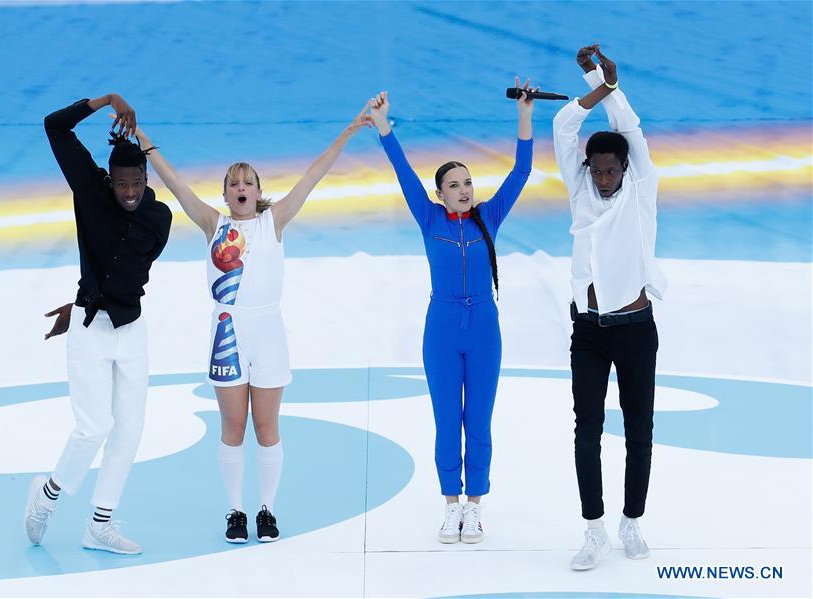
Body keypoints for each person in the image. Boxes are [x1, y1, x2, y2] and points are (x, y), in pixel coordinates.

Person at [133, 104, 371, 543]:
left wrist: (350, 130)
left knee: (266, 428)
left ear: (259, 190)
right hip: (227, 332)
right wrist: (140, 135)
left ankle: (267, 509)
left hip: (268, 333)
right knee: (233, 429)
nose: (241, 187)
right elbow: (174, 181)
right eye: (233, 183)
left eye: (248, 182)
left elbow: (314, 175)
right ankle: (235, 511)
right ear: (225, 195)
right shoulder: (213, 223)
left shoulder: (273, 222)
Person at [368, 83, 534, 544]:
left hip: (484, 327)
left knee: (478, 419)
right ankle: (450, 506)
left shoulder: (489, 217)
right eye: (454, 185)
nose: (464, 190)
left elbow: (522, 170)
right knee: (447, 419)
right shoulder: (429, 219)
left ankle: (475, 507)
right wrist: (384, 127)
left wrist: (524, 115)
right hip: (441, 329)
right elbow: (402, 171)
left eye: (468, 183)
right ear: (440, 195)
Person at [25, 94, 172, 555]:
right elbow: (55, 126)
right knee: (93, 427)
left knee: (129, 430)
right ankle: (47, 495)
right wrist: (106, 99)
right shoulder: (90, 190)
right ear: (110, 180)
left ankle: (99, 525)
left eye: (137, 184)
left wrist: (88, 291)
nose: (129, 193)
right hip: (90, 328)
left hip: (131, 330)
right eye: (122, 185)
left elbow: (131, 270)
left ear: (146, 179)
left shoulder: (159, 218)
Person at [552, 45, 667, 570]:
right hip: (590, 331)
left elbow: (632, 131)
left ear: (625, 168)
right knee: (587, 431)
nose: (602, 178)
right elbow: (562, 124)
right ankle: (594, 529)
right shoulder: (578, 189)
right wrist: (593, 84)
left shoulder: (640, 191)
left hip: (636, 329)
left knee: (639, 429)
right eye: (595, 169)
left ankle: (632, 521)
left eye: (610, 169)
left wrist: (612, 87)